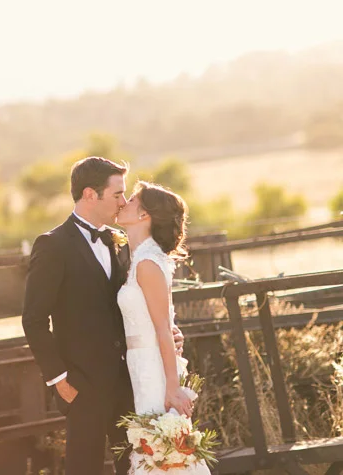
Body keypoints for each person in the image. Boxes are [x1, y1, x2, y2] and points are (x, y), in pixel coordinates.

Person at [22, 157, 184, 475]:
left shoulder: (119, 241)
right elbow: (34, 319)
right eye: (117, 194)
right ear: (89, 195)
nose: (123, 201)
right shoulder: (53, 245)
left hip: (130, 382)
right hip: (83, 386)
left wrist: (168, 331)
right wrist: (60, 380)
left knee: (138, 466)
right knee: (85, 469)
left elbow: (135, 304)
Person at [115, 181, 210, 474]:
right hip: (141, 364)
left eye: (130, 199)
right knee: (157, 452)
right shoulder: (139, 257)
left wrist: (172, 388)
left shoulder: (147, 263)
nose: (123, 203)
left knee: (163, 453)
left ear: (145, 215)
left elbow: (162, 330)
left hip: (154, 369)